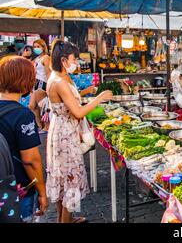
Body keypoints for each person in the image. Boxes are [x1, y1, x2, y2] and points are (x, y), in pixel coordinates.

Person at [46, 40, 113, 223]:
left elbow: (70, 101)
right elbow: (77, 112)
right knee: (69, 180)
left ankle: (64, 219)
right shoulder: (59, 81)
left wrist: (85, 93)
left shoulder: (60, 76)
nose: (76, 61)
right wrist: (99, 98)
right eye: (73, 58)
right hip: (65, 136)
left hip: (64, 131)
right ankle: (64, 221)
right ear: (63, 59)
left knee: (63, 178)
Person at [0, 56, 48, 222]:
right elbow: (31, 160)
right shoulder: (22, 115)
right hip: (17, 190)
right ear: (26, 80)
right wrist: (42, 192)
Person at [29, 39, 51, 130]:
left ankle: (45, 128)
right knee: (32, 106)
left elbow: (48, 72)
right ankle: (40, 126)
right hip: (36, 84)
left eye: (38, 46)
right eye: (34, 47)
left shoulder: (46, 57)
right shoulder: (36, 59)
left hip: (43, 84)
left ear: (43, 47)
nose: (36, 48)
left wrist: (51, 87)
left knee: (43, 107)